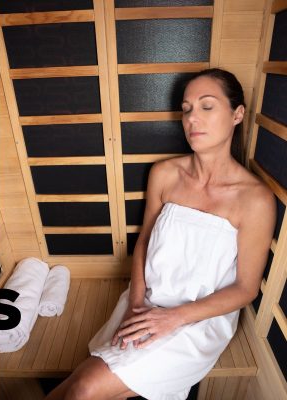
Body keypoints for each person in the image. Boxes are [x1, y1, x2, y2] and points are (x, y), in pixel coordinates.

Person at [45, 69, 276, 399]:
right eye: (186, 109)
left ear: (237, 114)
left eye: (207, 106)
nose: (192, 118)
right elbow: (144, 242)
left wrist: (173, 319)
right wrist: (136, 303)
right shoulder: (165, 174)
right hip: (146, 299)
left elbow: (245, 289)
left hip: (198, 320)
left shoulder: (255, 199)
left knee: (82, 388)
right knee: (76, 386)